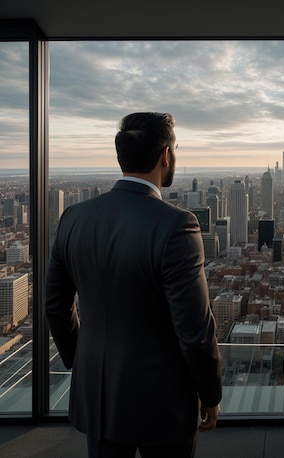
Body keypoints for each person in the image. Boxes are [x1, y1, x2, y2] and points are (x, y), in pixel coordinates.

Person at [45, 112, 222, 458]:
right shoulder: (176, 225)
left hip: (98, 395)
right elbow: (194, 331)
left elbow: (55, 306)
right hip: (163, 400)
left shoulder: (73, 218)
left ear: (120, 157)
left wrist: (85, 361)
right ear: (166, 156)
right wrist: (211, 393)